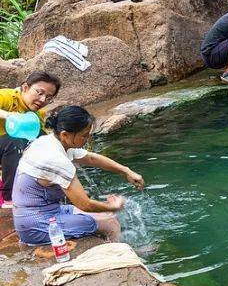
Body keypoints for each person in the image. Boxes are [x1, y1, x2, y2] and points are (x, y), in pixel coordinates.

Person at [12, 105, 144, 245]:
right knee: (111, 223)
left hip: (48, 212)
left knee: (105, 215)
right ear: (65, 135)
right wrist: (115, 206)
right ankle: (119, 256)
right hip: (36, 225)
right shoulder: (55, 159)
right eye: (84, 135)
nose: (88, 138)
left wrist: (126, 171)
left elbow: (90, 158)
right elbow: (84, 204)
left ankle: (114, 245)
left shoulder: (51, 141)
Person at [0, 72, 60, 209]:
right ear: (25, 88)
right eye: (39, 93)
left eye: (48, 97)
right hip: (8, 145)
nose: (43, 99)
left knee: (44, 141)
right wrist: (8, 115)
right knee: (13, 141)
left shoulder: (36, 116)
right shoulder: (7, 96)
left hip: (7, 153)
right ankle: (9, 198)